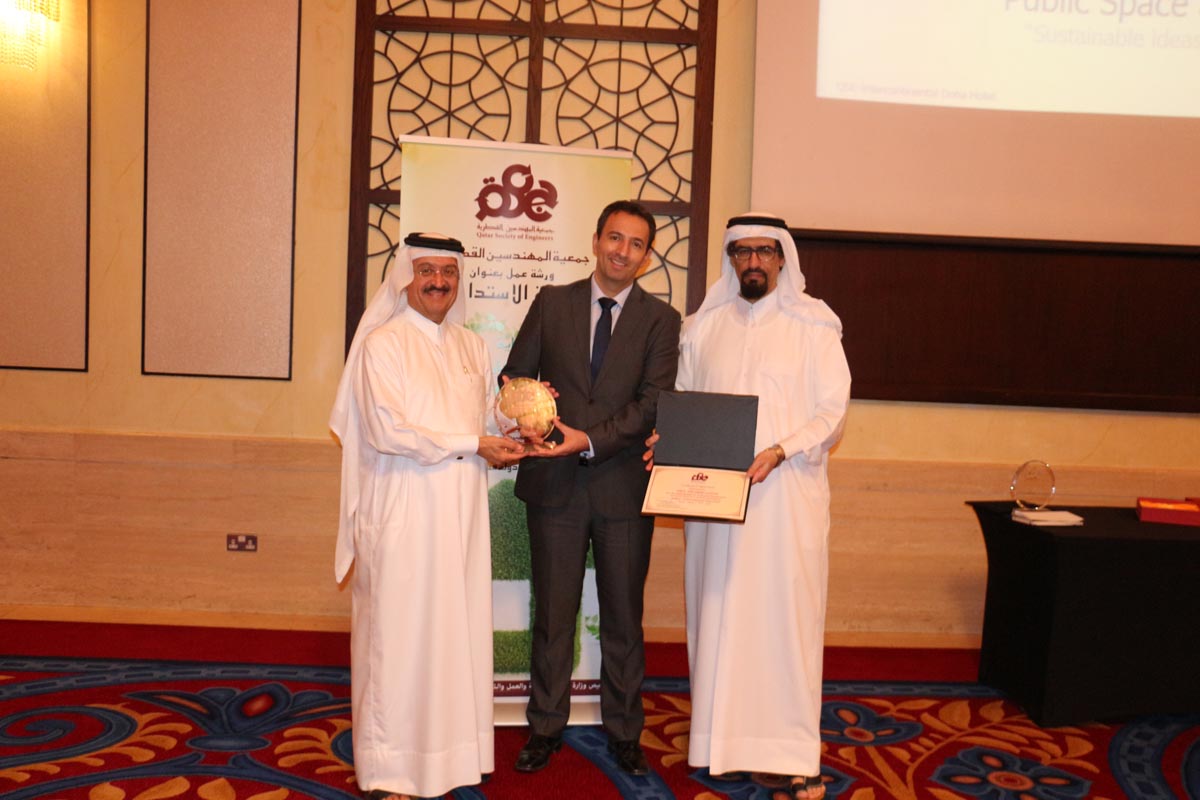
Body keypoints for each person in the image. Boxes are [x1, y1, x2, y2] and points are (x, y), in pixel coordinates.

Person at [648, 213, 851, 800]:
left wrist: (782, 449)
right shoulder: (703, 328)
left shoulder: (814, 325)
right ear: (731, 260)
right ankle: (723, 746)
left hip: (785, 500)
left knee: (783, 622)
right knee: (717, 613)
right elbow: (683, 400)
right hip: (715, 501)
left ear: (782, 258)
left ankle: (790, 753)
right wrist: (669, 440)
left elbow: (832, 411)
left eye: (764, 251)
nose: (754, 262)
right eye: (743, 252)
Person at [329, 232, 525, 800]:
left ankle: (450, 761)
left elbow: (481, 418)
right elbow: (389, 431)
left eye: (448, 272)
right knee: (399, 640)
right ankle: (391, 769)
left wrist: (516, 422)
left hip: (461, 515)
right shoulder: (382, 345)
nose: (439, 281)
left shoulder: (471, 346)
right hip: (403, 512)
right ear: (406, 278)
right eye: (427, 271)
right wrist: (475, 442)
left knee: (452, 635)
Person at [499, 199, 682, 776]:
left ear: (646, 256)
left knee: (624, 617)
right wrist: (527, 404)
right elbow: (514, 374)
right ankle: (545, 727)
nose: (622, 251)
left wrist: (588, 439)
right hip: (554, 485)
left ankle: (624, 731)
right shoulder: (552, 302)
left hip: (624, 487)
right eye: (615, 238)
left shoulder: (662, 320)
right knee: (553, 614)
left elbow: (653, 403)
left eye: (635, 244)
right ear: (597, 240)